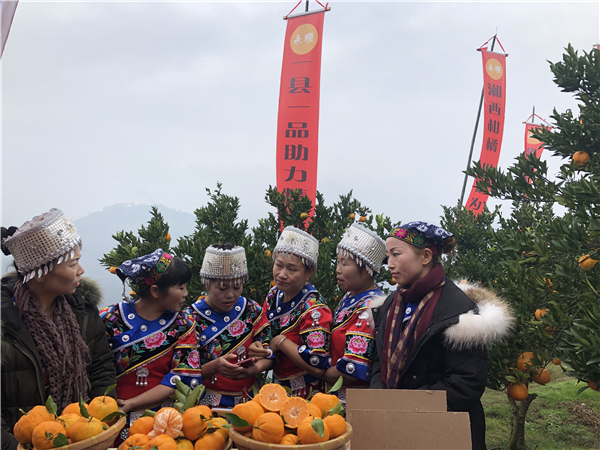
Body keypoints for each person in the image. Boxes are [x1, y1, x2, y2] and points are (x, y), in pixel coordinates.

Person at [370, 222, 513, 450]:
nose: (390, 264)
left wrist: (406, 405)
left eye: (396, 254)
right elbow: (380, 359)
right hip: (398, 425)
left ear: (426, 256)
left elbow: (466, 383)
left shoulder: (458, 310)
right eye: (388, 256)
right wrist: (380, 399)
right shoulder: (390, 304)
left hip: (444, 430)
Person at [1, 209, 116, 450]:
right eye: (73, 263)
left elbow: (100, 369)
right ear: (41, 273)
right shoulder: (5, 324)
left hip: (80, 436)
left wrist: (96, 424)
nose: (81, 270)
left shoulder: (83, 311)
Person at [100, 249, 201, 441]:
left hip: (163, 422)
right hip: (112, 418)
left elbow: (182, 377)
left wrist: (131, 403)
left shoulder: (183, 324)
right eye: (181, 288)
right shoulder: (110, 318)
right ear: (155, 291)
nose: (186, 294)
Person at [185, 243, 272, 408]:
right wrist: (214, 367)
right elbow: (182, 373)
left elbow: (270, 354)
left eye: (237, 287)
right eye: (222, 288)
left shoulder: (251, 310)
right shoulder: (190, 318)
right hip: (206, 406)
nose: (231, 295)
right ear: (207, 284)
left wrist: (257, 365)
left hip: (249, 403)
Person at [253, 226, 332, 398]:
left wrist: (281, 342)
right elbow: (263, 336)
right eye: (278, 265)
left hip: (309, 395)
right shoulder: (273, 295)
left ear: (308, 272)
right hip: (277, 391)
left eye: (291, 269)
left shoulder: (314, 308)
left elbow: (318, 364)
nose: (282, 274)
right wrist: (258, 347)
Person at [322, 224, 385, 407]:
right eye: (338, 262)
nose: (338, 269)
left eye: (345, 263)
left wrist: (315, 371)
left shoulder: (369, 307)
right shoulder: (349, 298)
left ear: (366, 270)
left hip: (352, 403)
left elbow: (351, 370)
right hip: (333, 395)